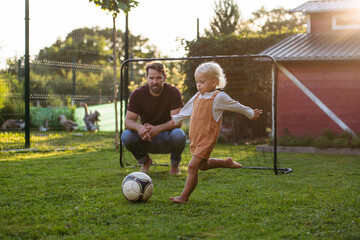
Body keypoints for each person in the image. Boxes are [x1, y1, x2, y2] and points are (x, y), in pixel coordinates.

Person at [170, 61, 263, 204]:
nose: (198, 85)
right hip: (195, 138)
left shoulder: (219, 97)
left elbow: (236, 105)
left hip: (207, 138)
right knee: (202, 166)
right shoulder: (198, 96)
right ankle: (226, 162)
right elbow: (188, 109)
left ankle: (184, 197)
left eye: (201, 81)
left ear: (214, 82)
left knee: (192, 166)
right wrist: (177, 118)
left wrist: (251, 113)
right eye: (197, 82)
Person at [121, 61, 186, 174]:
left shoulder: (173, 92)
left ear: (164, 77)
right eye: (151, 78)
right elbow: (128, 121)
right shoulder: (137, 94)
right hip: (146, 136)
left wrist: (157, 129)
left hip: (167, 137)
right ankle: (145, 161)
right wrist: (139, 128)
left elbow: (177, 122)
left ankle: (174, 165)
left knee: (178, 134)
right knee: (126, 135)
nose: (154, 82)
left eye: (158, 78)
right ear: (146, 77)